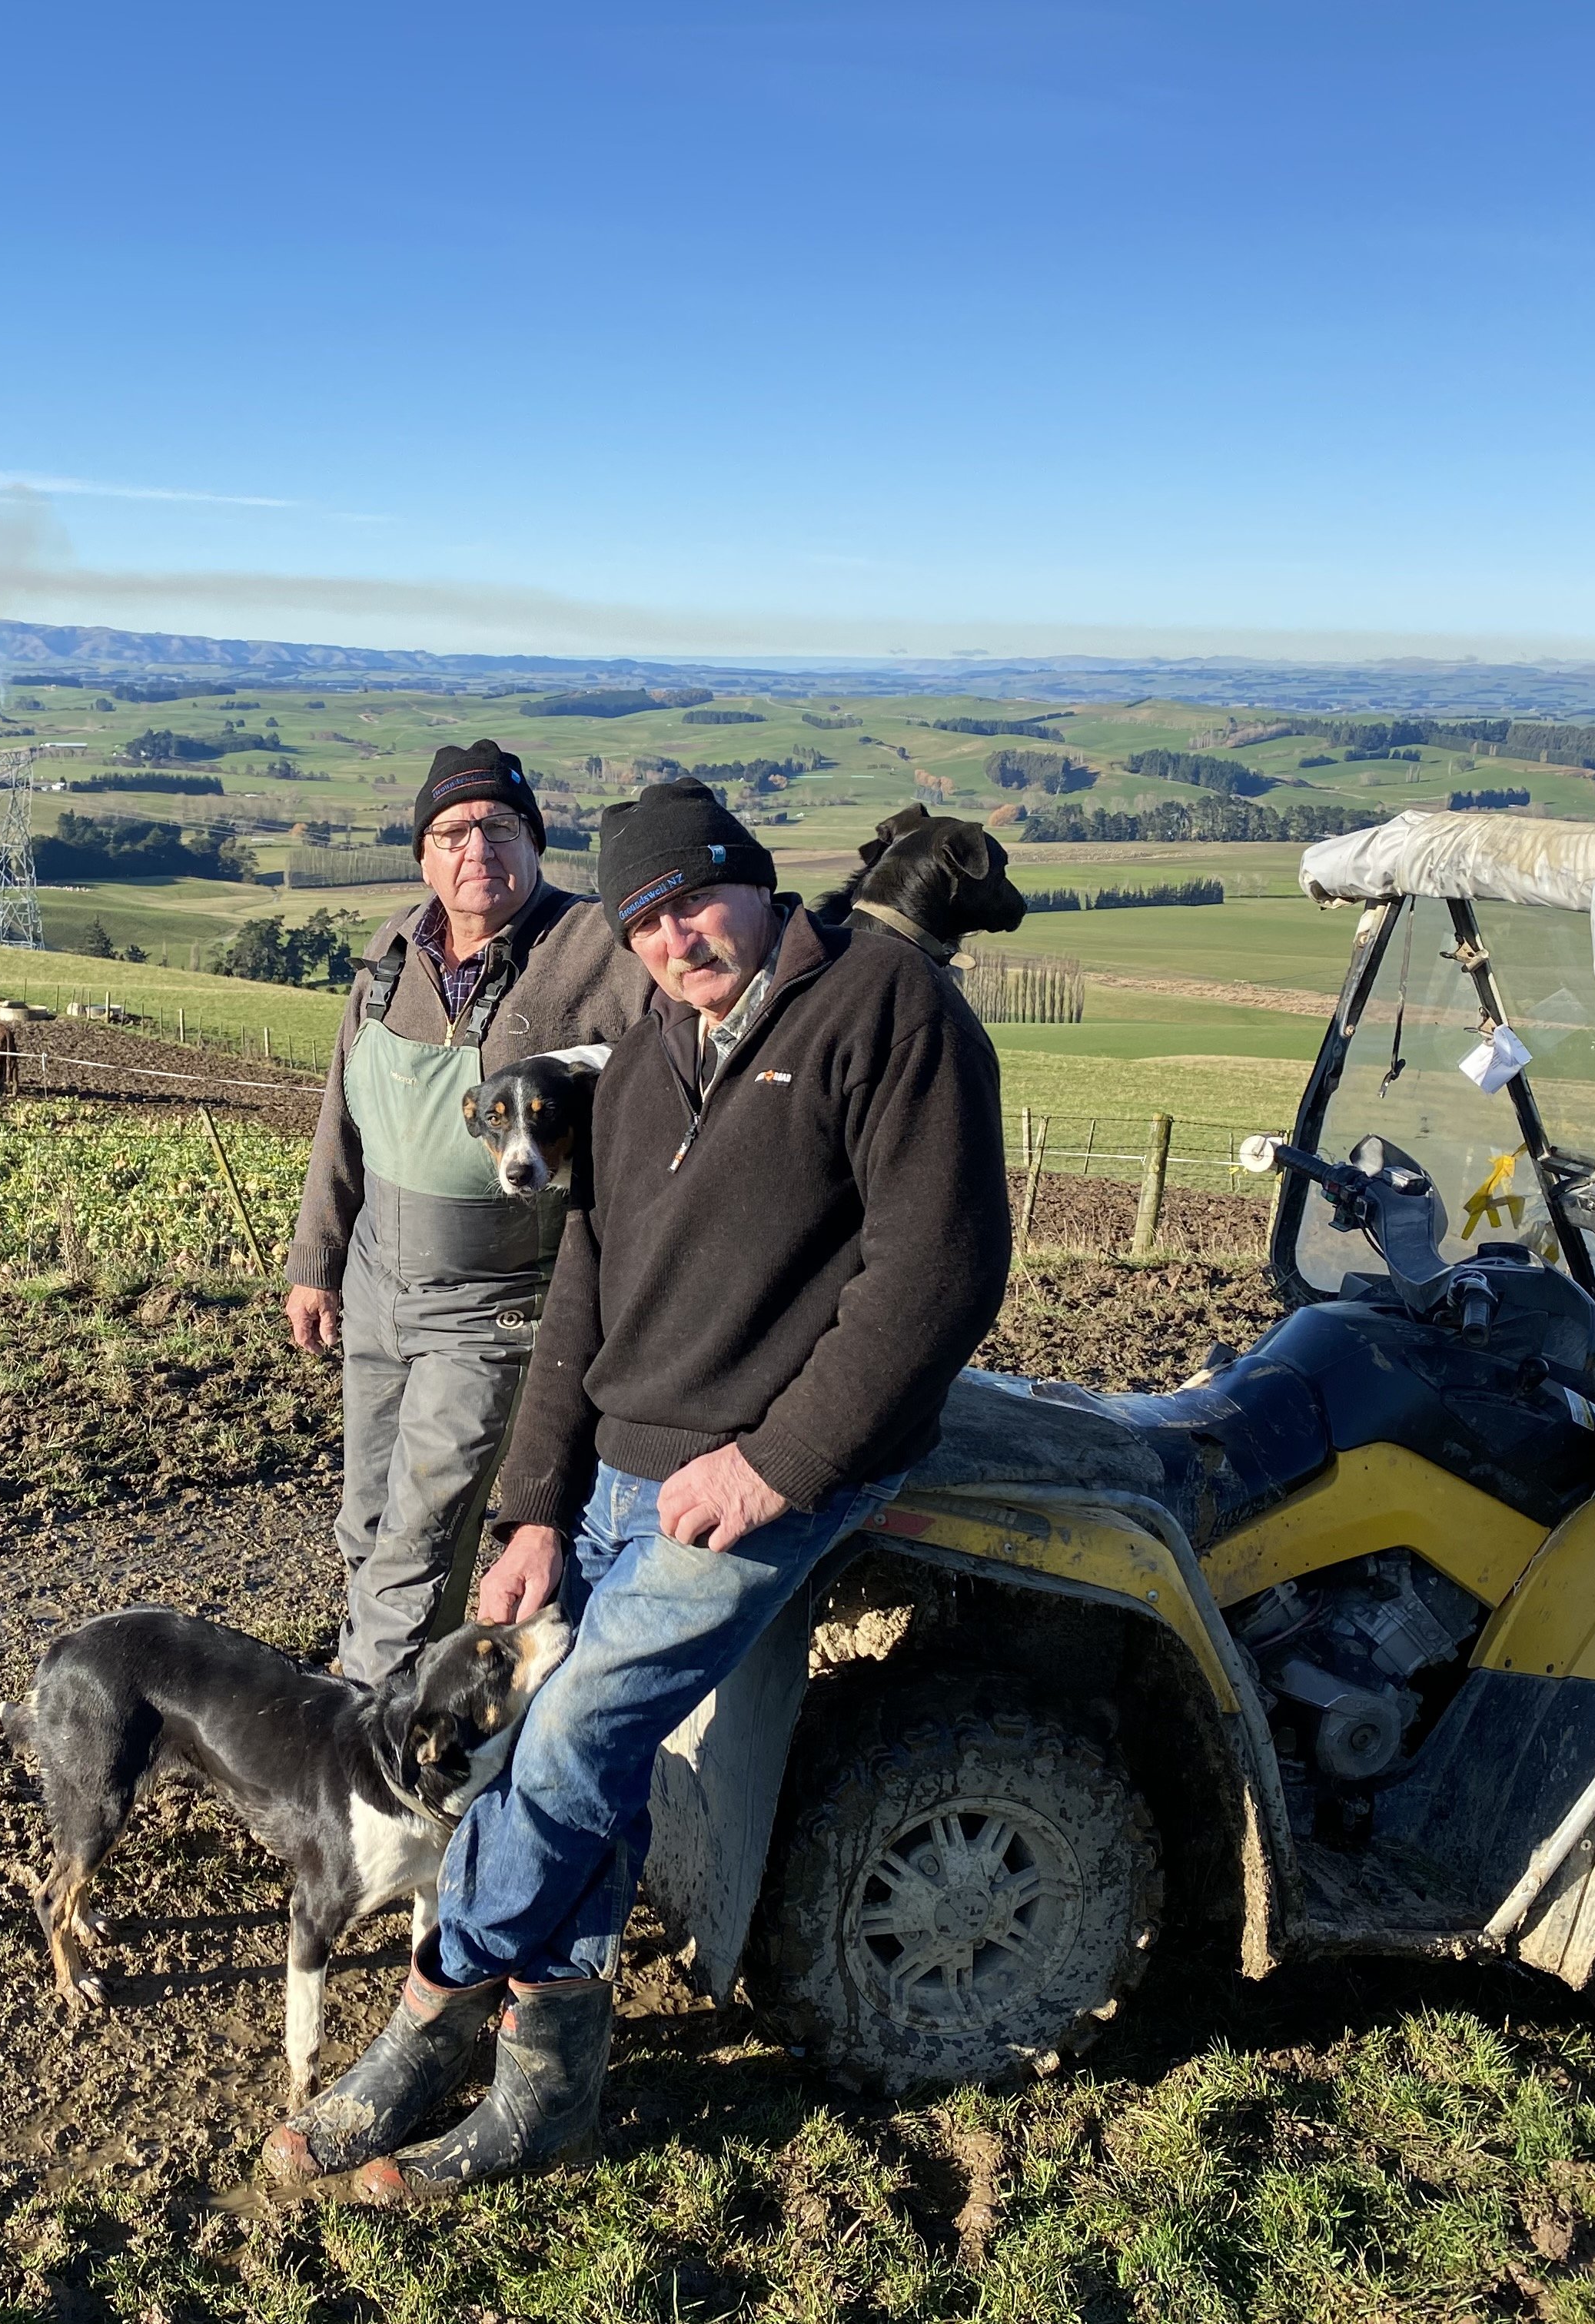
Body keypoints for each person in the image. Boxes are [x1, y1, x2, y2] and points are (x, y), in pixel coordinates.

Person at [264, 776, 1012, 2200]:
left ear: (752, 874)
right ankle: (553, 2087)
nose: (676, 938)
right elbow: (589, 1281)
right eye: (646, 919)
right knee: (564, 1752)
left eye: (695, 900)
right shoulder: (654, 1040)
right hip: (618, 1464)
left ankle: (433, 2011)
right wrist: (535, 1500)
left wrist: (779, 1459)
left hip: (767, 1468)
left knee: (566, 1736)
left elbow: (939, 1274)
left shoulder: (887, 1009)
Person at [285, 741, 656, 1685]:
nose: (476, 848)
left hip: (497, 1303)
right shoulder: (389, 957)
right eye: (452, 831)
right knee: (366, 1517)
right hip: (377, 1283)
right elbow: (345, 1112)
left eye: (500, 828)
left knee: (423, 1528)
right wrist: (316, 1260)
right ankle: (412, 1692)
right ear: (423, 855)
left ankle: (374, 1749)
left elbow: (688, 1067)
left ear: (534, 842)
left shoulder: (602, 951)